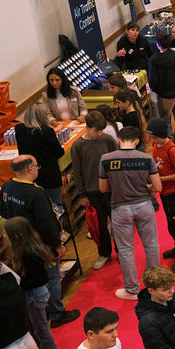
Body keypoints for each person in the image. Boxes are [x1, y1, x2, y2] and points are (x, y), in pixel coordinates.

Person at [0, 155, 78, 327]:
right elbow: (47, 223)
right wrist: (57, 245)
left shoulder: (6, 187)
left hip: (19, 245)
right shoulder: (36, 193)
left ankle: (43, 311)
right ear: (29, 169)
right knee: (53, 277)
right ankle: (56, 313)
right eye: (36, 166)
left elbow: (3, 212)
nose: (37, 169)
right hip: (41, 246)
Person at [99, 126, 162, 301]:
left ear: (118, 140)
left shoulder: (106, 159)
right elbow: (157, 187)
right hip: (144, 206)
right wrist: (146, 188)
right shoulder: (146, 158)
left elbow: (103, 188)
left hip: (120, 209)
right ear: (137, 141)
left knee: (125, 249)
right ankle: (155, 285)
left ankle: (132, 289)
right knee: (151, 245)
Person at [145, 118, 175, 273]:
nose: (151, 140)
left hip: (174, 191)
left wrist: (160, 180)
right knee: (171, 224)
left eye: (153, 137)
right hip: (164, 191)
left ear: (161, 135)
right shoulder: (156, 146)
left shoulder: (171, 150)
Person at [72, 111, 118, 270]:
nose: (99, 133)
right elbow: (77, 172)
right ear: (88, 127)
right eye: (96, 130)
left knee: (118, 222)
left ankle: (122, 252)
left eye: (101, 130)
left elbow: (117, 160)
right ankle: (104, 253)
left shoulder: (108, 139)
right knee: (100, 225)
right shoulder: (78, 146)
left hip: (111, 189)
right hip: (92, 192)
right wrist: (82, 194)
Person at [15, 102, 65, 209]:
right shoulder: (46, 131)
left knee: (36, 207)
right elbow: (59, 152)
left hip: (29, 175)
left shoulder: (19, 129)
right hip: (48, 176)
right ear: (42, 116)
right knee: (56, 207)